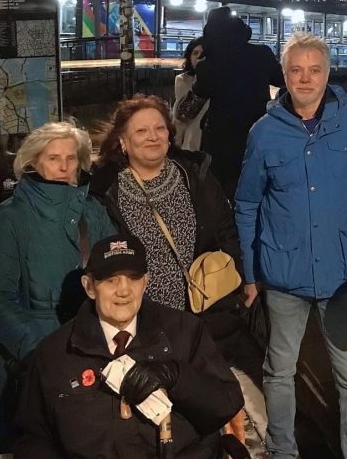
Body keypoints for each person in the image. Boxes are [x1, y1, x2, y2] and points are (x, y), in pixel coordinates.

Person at [234, 33, 347, 459]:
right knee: (279, 371)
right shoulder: (264, 132)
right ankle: (283, 451)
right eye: (296, 70)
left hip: (343, 272)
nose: (305, 78)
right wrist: (250, 272)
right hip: (283, 273)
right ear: (284, 75)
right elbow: (246, 205)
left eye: (315, 69)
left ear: (328, 72)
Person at [14, 233, 245, 458]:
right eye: (111, 279)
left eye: (133, 277)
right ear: (89, 287)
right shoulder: (54, 354)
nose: (124, 290)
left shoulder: (185, 331)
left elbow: (226, 404)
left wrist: (178, 377)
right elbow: (32, 438)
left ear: (146, 282)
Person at [0, 121, 117, 455]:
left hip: (87, 352)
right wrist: (41, 355)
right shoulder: (7, 219)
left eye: (71, 158)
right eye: (53, 158)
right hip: (26, 360)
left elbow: (113, 275)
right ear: (33, 163)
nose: (64, 166)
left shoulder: (93, 212)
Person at [91, 94, 247, 364]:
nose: (153, 136)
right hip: (144, 324)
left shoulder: (195, 175)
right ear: (123, 142)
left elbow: (226, 230)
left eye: (159, 128)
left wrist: (240, 280)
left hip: (205, 316)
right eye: (141, 131)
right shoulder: (106, 192)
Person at [195, 6, 284, 200]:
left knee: (223, 189)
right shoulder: (261, 55)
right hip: (258, 131)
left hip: (221, 138)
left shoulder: (208, 66)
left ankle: (230, 225)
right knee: (260, 186)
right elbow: (284, 82)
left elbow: (194, 101)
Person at [173, 36, 210, 151]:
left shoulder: (218, 80)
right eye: (195, 53)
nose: (199, 57)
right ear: (189, 57)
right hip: (191, 140)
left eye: (203, 53)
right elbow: (183, 116)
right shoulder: (183, 80)